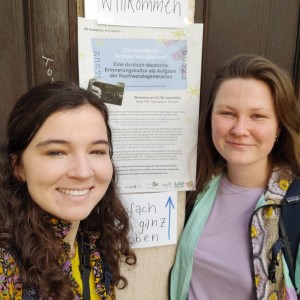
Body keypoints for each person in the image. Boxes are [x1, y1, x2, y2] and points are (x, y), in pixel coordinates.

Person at [169, 54, 300, 299]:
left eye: (257, 116)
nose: (239, 130)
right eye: (228, 113)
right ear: (210, 117)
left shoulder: (295, 205)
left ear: (279, 126)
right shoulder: (195, 191)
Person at [0, 81, 136, 299]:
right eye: (56, 152)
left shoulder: (92, 248)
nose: (82, 172)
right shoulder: (6, 267)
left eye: (97, 151)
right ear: (19, 167)